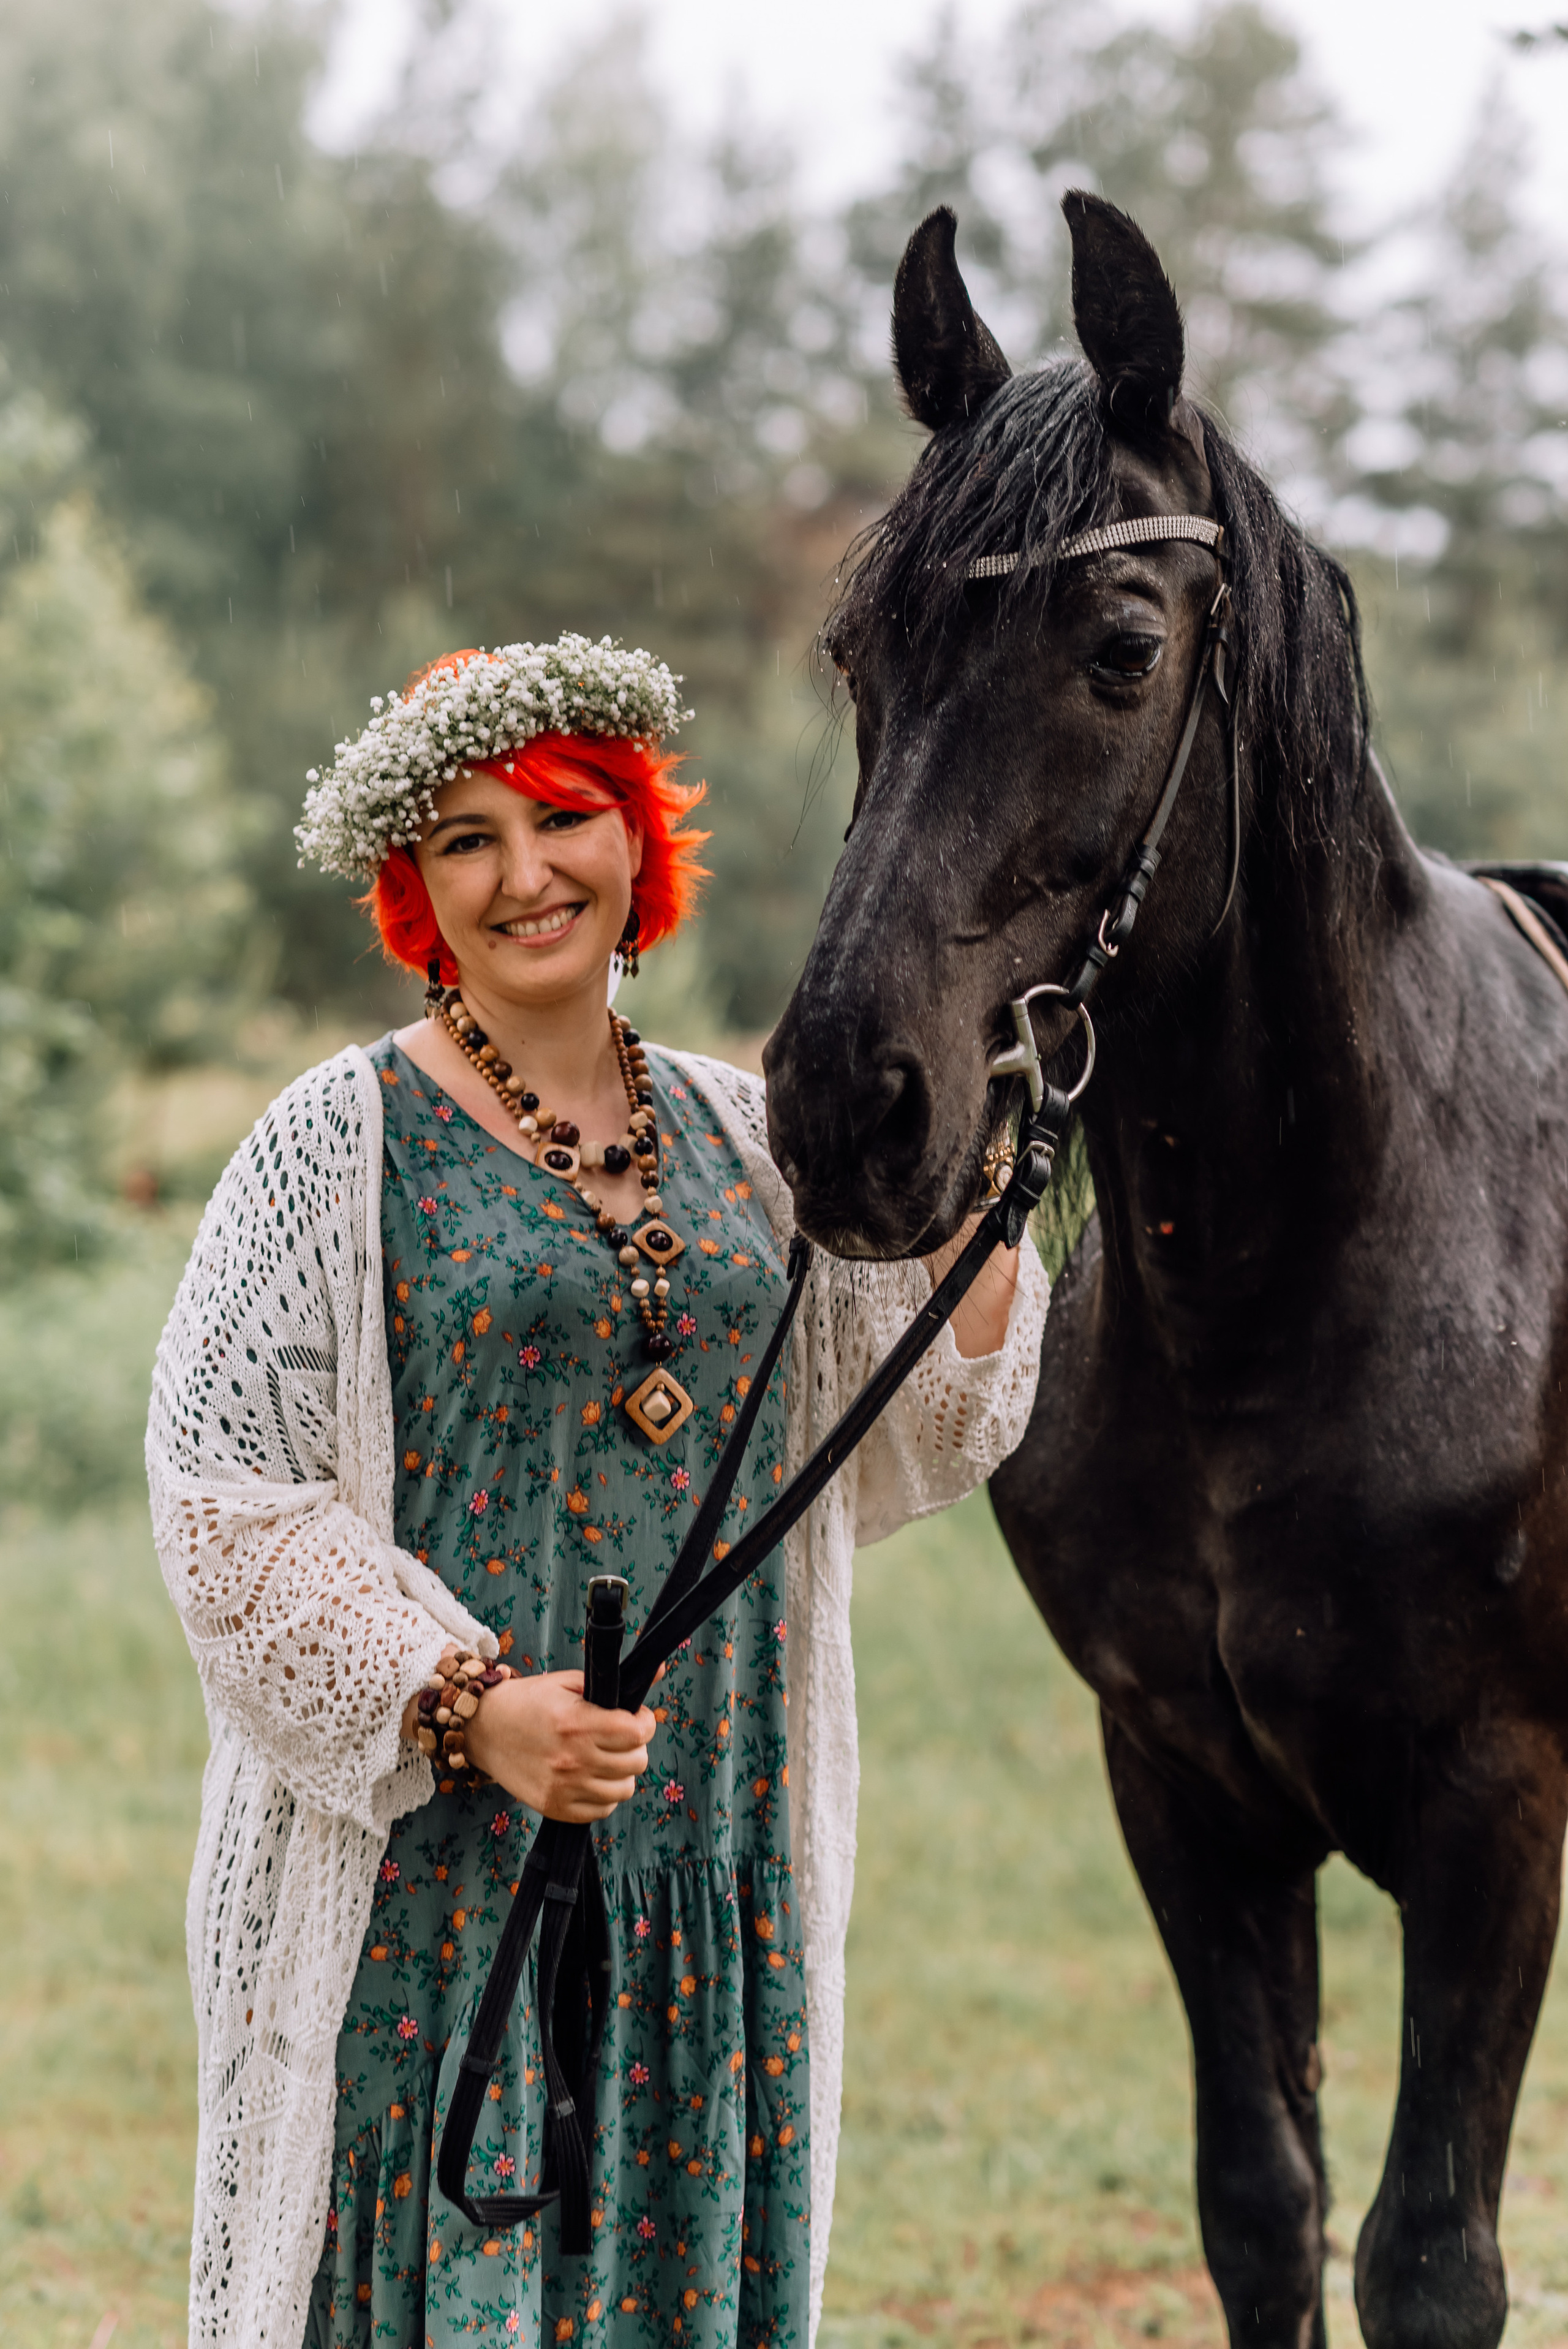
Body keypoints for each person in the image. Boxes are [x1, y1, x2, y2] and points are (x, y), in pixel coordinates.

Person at [147, 634, 1049, 2349]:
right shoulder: (329, 1145)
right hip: (436, 1886)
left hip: (720, 1875)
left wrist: (983, 1163)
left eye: (564, 815)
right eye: (466, 835)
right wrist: (470, 1707)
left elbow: (908, 1421)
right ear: (415, 887)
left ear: (638, 836)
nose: (525, 870)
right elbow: (223, 1497)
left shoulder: (752, 1134)